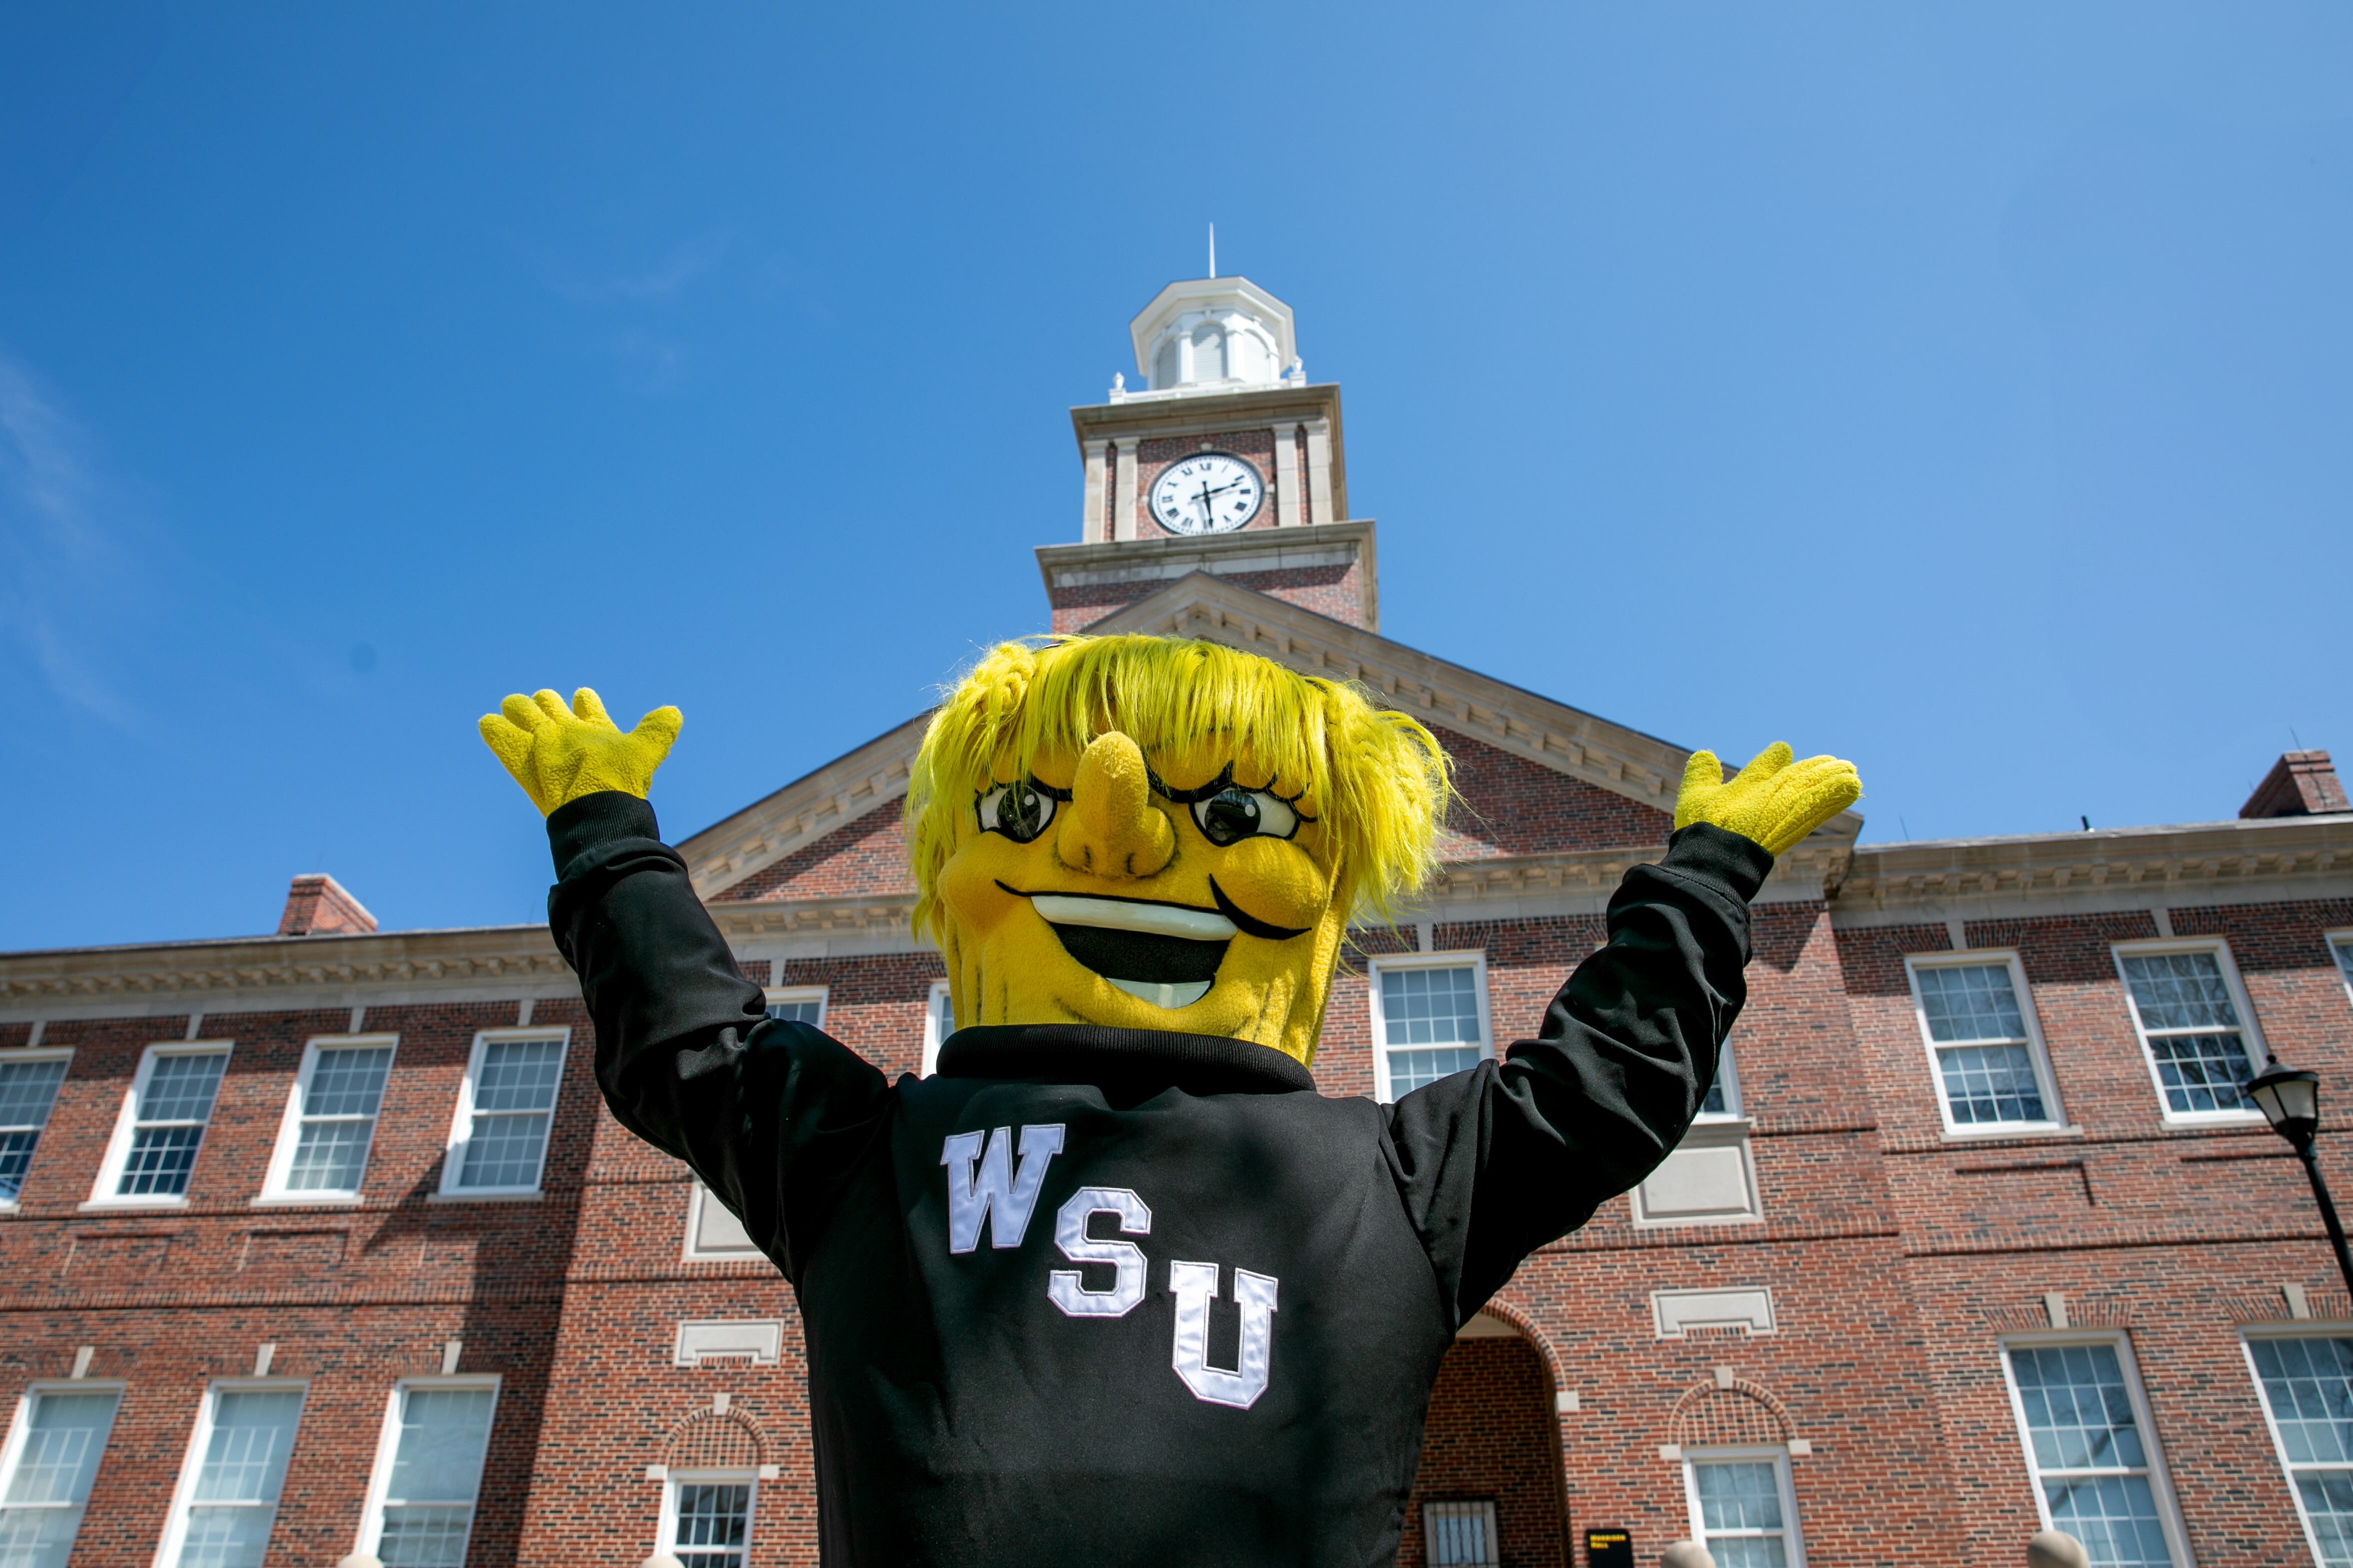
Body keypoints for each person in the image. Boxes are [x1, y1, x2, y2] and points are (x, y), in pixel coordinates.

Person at [479, 634, 1861, 1567]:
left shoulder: (1389, 1176)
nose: (1119, 829)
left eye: (1240, 818)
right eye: (1028, 815)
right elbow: (692, 1042)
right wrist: (610, 849)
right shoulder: (869, 1152)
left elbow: (1599, 1089)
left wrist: (1702, 885)